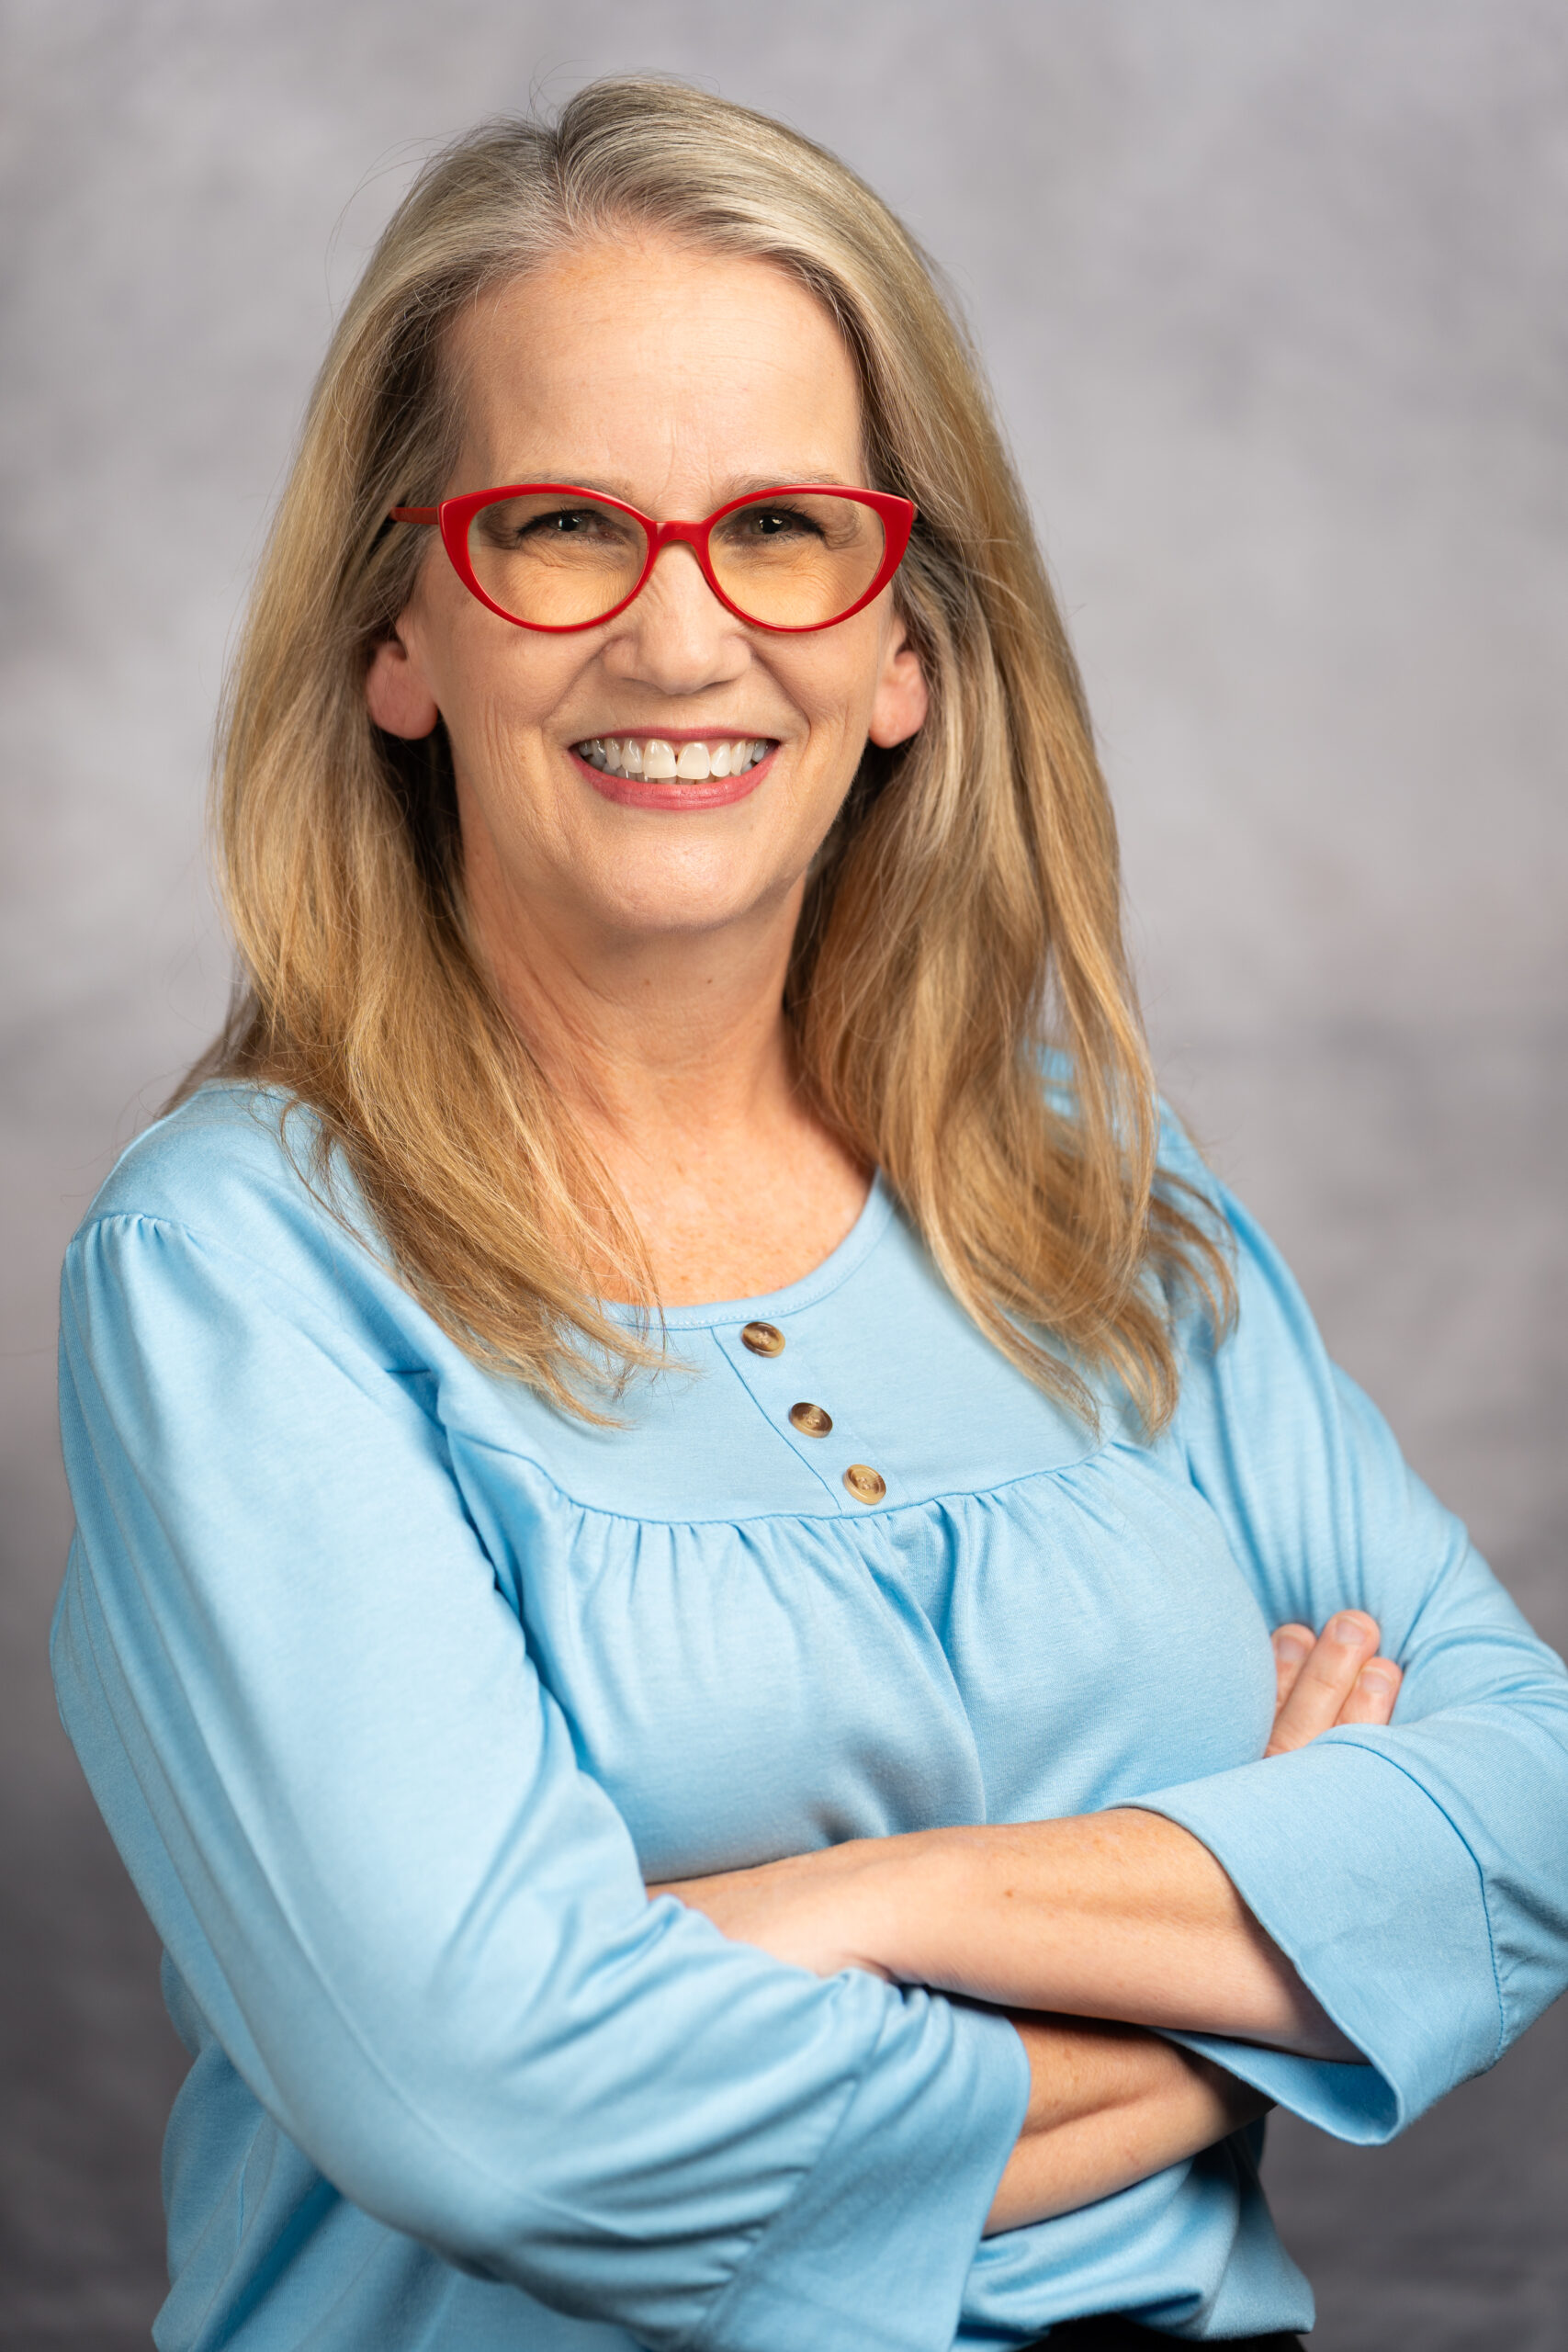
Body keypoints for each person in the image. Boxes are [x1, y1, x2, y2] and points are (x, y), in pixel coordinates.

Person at [51, 77, 1568, 2352]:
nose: (681, 642)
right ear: (398, 638)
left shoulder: (1085, 1191)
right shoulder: (233, 1270)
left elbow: (1523, 1822)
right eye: (564, 524)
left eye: (780, 528)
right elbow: (504, 2120)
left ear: (905, 655)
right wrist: (1258, 1940)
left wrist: (845, 1904)